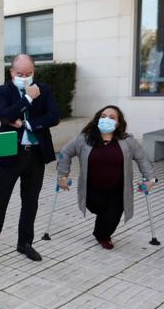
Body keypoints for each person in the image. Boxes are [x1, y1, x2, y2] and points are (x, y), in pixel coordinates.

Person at [0, 54, 60, 263]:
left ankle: (25, 242)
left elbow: (54, 116)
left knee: (31, 202)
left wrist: (28, 124)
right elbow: (6, 115)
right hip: (10, 153)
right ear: (11, 73)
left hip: (35, 154)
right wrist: (27, 98)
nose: (25, 78)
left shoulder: (43, 89)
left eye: (29, 74)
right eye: (20, 74)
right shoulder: (2, 91)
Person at [56, 105, 157, 249]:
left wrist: (150, 179)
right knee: (102, 211)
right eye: (103, 116)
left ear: (118, 123)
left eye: (112, 117)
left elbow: (142, 159)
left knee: (112, 216)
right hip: (92, 189)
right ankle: (103, 227)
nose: (106, 119)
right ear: (97, 119)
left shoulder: (127, 141)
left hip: (118, 190)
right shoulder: (84, 139)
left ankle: (102, 235)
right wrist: (62, 176)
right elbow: (65, 152)